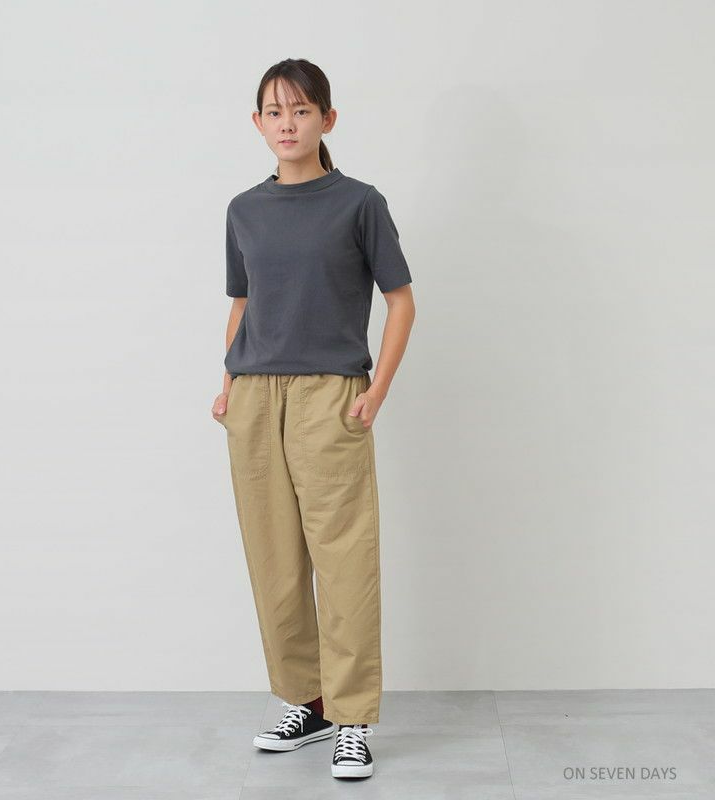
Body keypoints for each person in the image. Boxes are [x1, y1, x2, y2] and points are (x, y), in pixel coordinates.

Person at [211, 58, 416, 780]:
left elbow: (400, 300)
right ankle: (308, 702)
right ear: (257, 123)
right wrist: (227, 380)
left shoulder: (359, 203)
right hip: (253, 396)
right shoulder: (244, 209)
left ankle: (353, 717)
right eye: (274, 112)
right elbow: (244, 301)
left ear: (327, 119)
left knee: (344, 559)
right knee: (274, 559)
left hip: (331, 394)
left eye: (301, 110)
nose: (287, 124)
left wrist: (376, 390)